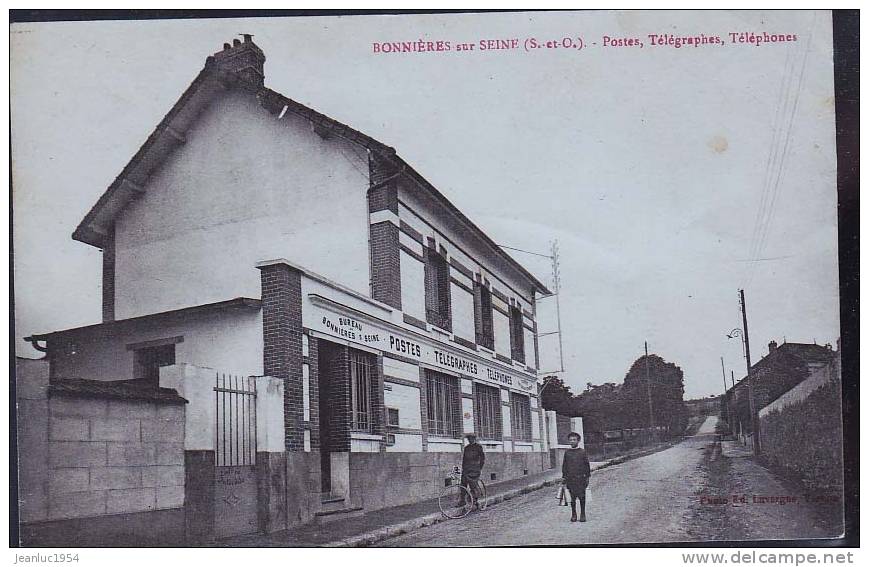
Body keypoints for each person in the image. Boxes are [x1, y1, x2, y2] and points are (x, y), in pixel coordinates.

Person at [562, 431, 591, 522]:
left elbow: (587, 465)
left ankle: (583, 514)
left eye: (574, 440)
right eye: (570, 440)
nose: (572, 441)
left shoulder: (582, 452)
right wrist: (564, 477)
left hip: (581, 478)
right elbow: (565, 465)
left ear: (578, 441)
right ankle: (574, 514)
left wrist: (587, 477)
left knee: (582, 496)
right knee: (572, 498)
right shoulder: (567, 453)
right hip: (570, 479)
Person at [459, 432, 485, 506]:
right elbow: (464, 459)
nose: (470, 440)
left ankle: (475, 501)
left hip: (474, 469)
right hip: (466, 469)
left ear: (474, 439)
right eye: (469, 439)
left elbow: (482, 458)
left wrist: (479, 468)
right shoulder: (466, 448)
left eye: (471, 438)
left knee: (473, 485)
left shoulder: (478, 447)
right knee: (463, 484)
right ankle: (462, 501)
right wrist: (463, 468)